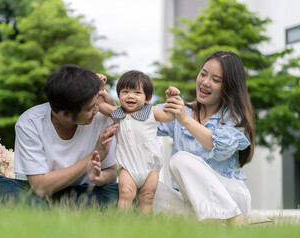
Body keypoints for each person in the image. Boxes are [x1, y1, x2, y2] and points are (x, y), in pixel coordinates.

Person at [0, 64, 119, 208]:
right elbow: (40, 187)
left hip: (80, 193)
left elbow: (112, 173)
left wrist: (100, 178)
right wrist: (94, 155)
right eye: (90, 108)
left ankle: (44, 214)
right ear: (66, 114)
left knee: (125, 191)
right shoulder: (30, 123)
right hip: (35, 195)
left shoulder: (100, 117)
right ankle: (55, 216)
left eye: (96, 103)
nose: (97, 109)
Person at [156, 51, 255, 224]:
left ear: (229, 87)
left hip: (231, 198)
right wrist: (110, 106)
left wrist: (185, 120)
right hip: (192, 202)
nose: (205, 82)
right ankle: (210, 223)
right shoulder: (182, 110)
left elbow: (218, 145)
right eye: (203, 74)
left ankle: (233, 219)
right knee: (144, 186)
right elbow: (140, 117)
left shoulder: (234, 117)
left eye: (216, 80)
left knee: (180, 160)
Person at [97, 70, 179, 213]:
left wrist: (172, 97)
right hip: (128, 166)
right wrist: (100, 89)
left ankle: (144, 226)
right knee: (126, 194)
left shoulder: (151, 112)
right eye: (125, 91)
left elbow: (169, 116)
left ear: (147, 98)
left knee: (147, 197)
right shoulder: (118, 113)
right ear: (119, 95)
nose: (130, 96)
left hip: (150, 166)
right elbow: (101, 106)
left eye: (137, 93)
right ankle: (124, 223)